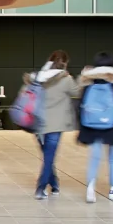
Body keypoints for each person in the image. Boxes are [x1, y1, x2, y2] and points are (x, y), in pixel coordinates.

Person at [78, 52, 113, 203]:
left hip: (93, 125)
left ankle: (90, 188)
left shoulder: (89, 82)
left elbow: (81, 105)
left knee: (95, 157)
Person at [28, 50, 79, 199]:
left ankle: (54, 184)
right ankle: (41, 187)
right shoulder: (66, 79)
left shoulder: (39, 77)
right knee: (49, 156)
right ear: (65, 63)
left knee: (47, 155)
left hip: (38, 123)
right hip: (55, 124)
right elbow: (77, 92)